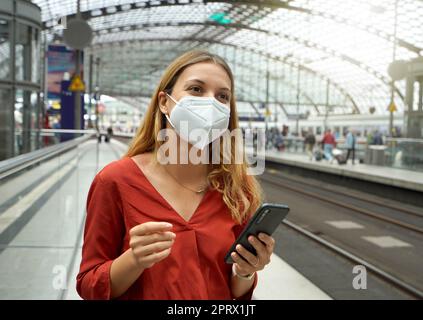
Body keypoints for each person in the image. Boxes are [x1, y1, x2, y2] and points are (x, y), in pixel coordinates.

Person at [76, 50, 274, 300]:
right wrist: (134, 260)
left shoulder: (237, 188)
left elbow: (235, 290)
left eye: (222, 96)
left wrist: (246, 271)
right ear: (164, 101)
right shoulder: (115, 181)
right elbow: (89, 284)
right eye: (196, 89)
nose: (211, 102)